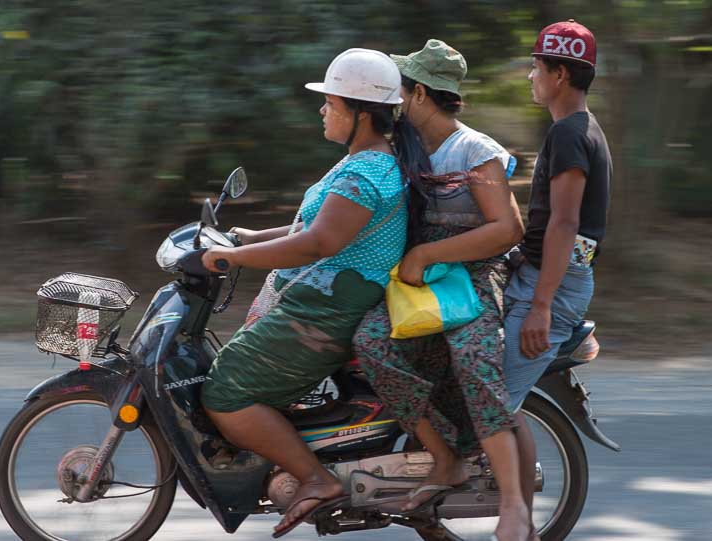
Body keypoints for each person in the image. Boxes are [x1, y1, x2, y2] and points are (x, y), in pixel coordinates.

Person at [199, 48, 429, 537]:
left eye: (331, 102)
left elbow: (318, 243)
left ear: (361, 114)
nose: (323, 109)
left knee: (224, 392)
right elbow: (313, 223)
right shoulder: (363, 165)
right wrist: (249, 238)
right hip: (318, 305)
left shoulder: (365, 174)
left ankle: (315, 479)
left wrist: (233, 260)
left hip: (322, 316)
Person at [352, 39, 530, 541]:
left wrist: (429, 253)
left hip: (473, 274)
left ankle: (514, 504)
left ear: (422, 95)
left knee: (472, 359)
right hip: (416, 282)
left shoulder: (474, 150)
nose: (394, 102)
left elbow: (508, 229)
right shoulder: (403, 149)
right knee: (369, 343)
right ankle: (444, 457)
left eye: (400, 92)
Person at [503, 20, 612, 537]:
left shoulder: (570, 133)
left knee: (487, 401)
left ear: (560, 73)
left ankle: (514, 516)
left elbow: (566, 224)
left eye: (537, 67)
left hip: (556, 283)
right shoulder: (580, 129)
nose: (530, 76)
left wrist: (541, 305)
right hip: (550, 272)